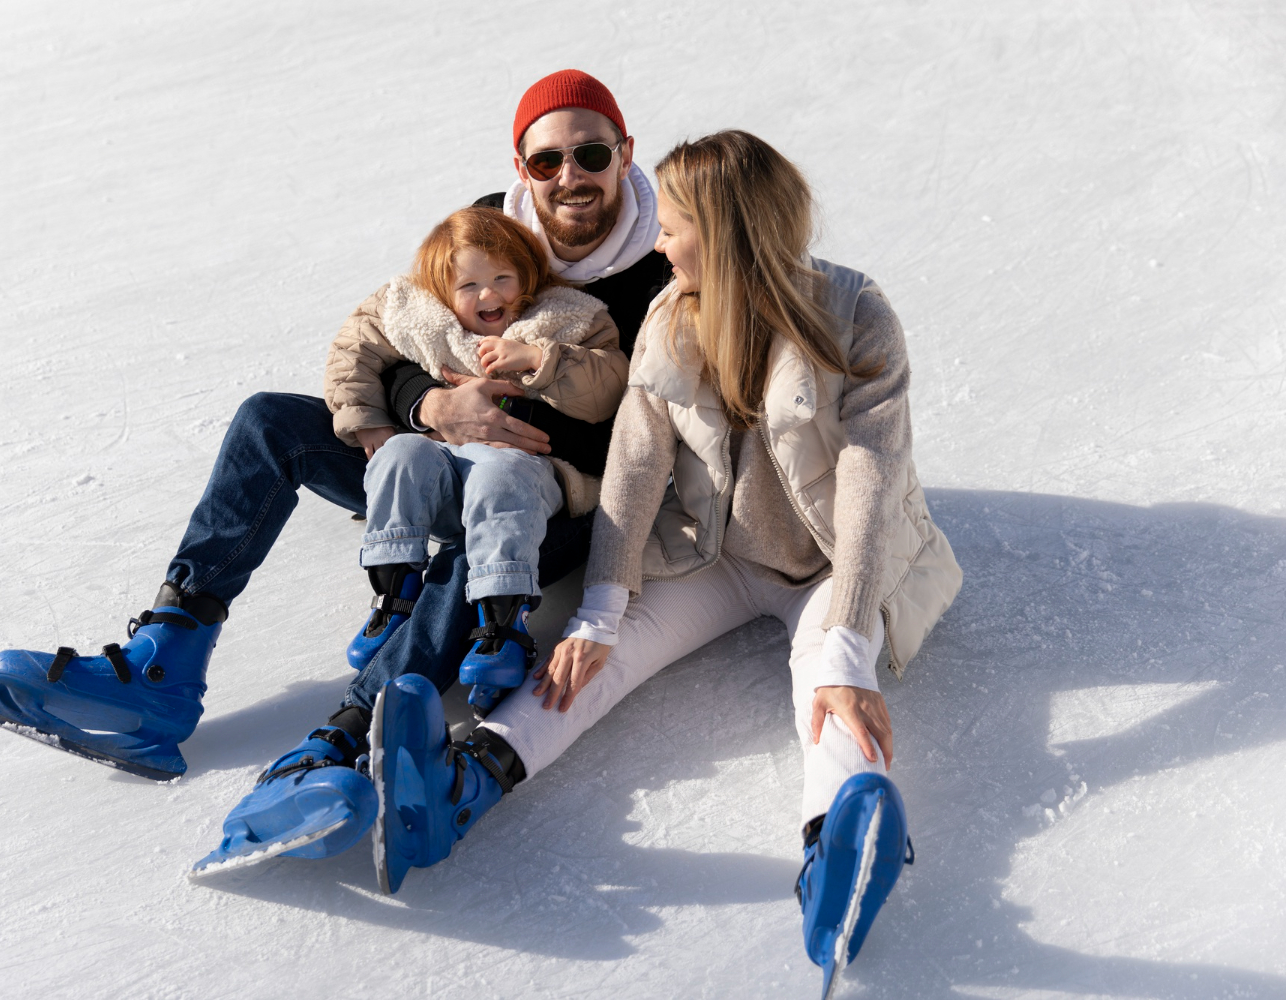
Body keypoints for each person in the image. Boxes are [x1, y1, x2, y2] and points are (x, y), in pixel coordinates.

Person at [0, 68, 669, 853]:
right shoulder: (484, 231)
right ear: (520, 166)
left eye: (591, 154)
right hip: (432, 456)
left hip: (563, 496)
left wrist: (512, 420)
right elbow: (397, 335)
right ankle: (162, 664)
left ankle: (336, 743)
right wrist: (429, 407)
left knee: (475, 543)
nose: (569, 177)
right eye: (547, 161)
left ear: (624, 152)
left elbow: (654, 424)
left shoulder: (661, 270)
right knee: (271, 422)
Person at [369, 131, 963, 995]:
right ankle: (463, 782)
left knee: (829, 686)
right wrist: (600, 610)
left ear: (723, 233)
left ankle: (837, 846)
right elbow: (637, 465)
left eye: (675, 225)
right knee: (595, 658)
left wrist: (849, 634)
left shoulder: (854, 314)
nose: (658, 242)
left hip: (835, 559)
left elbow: (872, 479)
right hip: (715, 551)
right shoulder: (671, 314)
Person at [332, 204, 628, 718]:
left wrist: (540, 361)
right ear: (444, 291)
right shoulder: (422, 315)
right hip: (447, 478)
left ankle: (502, 623)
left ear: (527, 277)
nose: (488, 295)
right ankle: (394, 596)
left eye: (502, 278)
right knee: (401, 452)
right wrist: (370, 419)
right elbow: (352, 348)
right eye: (468, 286)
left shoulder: (566, 317)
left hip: (533, 483)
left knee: (500, 471)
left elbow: (609, 387)